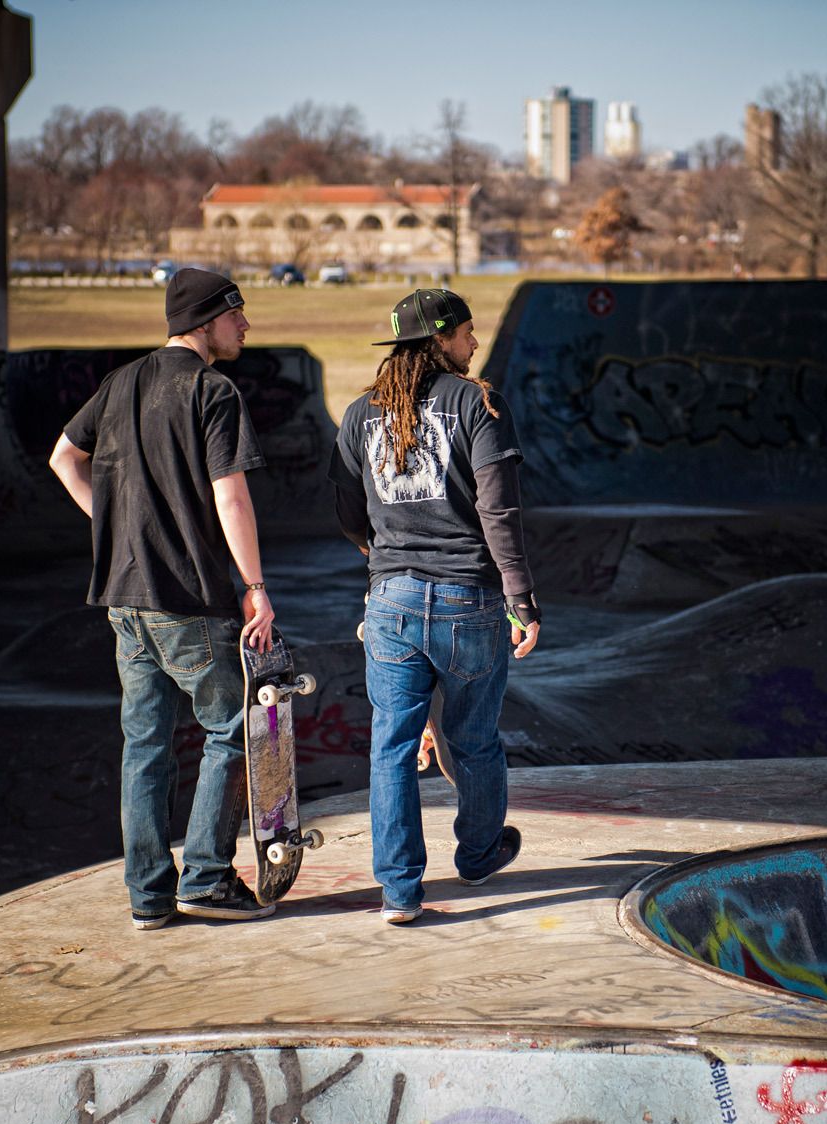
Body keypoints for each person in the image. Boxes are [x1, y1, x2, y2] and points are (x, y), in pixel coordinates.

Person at [49, 268, 277, 930]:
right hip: (187, 599)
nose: (245, 325)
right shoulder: (212, 390)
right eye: (235, 314)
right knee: (232, 729)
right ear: (204, 323)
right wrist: (256, 588)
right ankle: (206, 877)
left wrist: (115, 529)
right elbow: (231, 496)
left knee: (145, 745)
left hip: (124, 599)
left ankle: (148, 896)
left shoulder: (120, 383)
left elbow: (63, 457)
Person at [328, 288, 542, 924]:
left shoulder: (359, 414)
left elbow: (347, 511)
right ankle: (477, 855)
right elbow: (499, 511)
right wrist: (521, 599)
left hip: (390, 601)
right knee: (472, 740)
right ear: (440, 339)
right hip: (466, 599)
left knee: (391, 747)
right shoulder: (477, 404)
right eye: (467, 332)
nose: (475, 343)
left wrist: (386, 557)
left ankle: (399, 892)